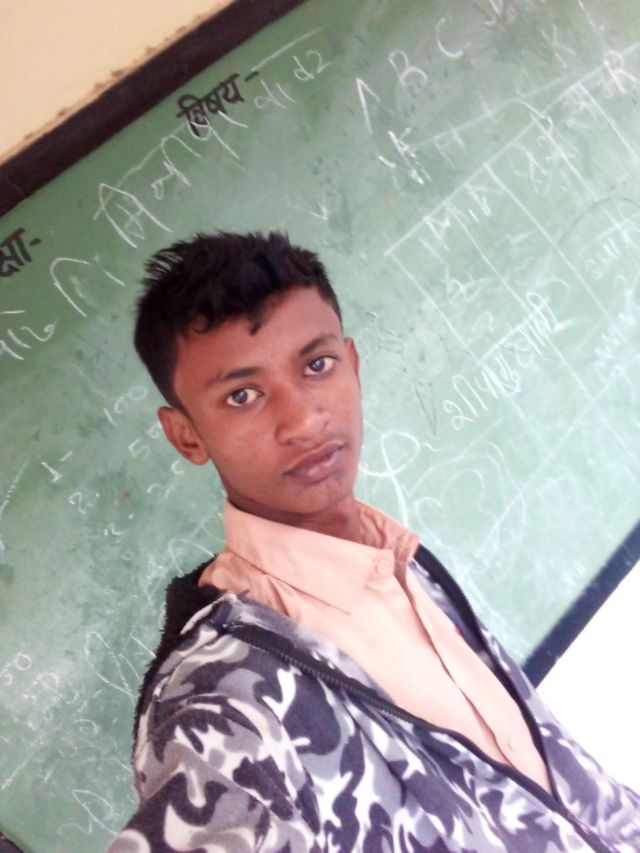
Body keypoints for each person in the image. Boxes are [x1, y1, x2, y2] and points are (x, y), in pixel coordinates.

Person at [109, 231, 639, 853]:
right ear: (187, 436)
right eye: (242, 395)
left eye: (316, 365)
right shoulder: (224, 693)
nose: (304, 419)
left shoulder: (402, 558)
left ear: (353, 365)